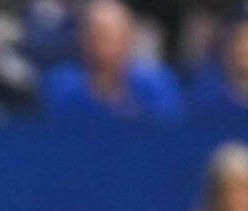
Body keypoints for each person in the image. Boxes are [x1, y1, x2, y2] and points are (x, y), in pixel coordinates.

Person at [40, 0, 185, 122]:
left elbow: (169, 133)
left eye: (105, 35)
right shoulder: (61, 85)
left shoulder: (156, 83)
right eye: (91, 34)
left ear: (127, 37)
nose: (97, 43)